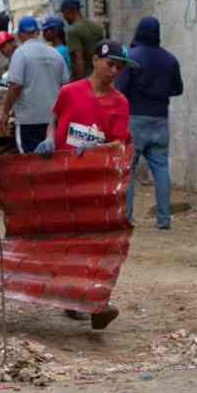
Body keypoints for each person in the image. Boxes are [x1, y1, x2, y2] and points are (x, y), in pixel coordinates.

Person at [38, 38, 135, 330]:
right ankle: (77, 299)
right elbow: (54, 119)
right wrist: (48, 138)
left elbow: (118, 143)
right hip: (62, 178)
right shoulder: (69, 92)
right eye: (110, 64)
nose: (114, 71)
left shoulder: (120, 102)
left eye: (119, 67)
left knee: (93, 243)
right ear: (95, 60)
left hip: (94, 182)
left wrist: (95, 150)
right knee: (67, 240)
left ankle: (90, 301)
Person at [115, 16, 184, 230]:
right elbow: (178, 89)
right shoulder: (170, 60)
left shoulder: (131, 57)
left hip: (135, 119)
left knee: (128, 170)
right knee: (161, 168)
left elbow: (120, 89)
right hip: (160, 119)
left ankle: (126, 218)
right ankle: (164, 219)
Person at [0, 16, 68, 153]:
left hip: (29, 121)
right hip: (53, 120)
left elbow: (15, 87)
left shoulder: (20, 54)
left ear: (19, 34)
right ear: (38, 32)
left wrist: (5, 111)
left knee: (31, 162)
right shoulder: (55, 54)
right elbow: (65, 86)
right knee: (53, 161)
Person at [60, 0, 104, 80]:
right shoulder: (96, 26)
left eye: (63, 13)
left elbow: (77, 58)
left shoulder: (72, 31)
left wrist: (79, 83)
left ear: (69, 11)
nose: (64, 17)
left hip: (86, 78)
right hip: (99, 75)